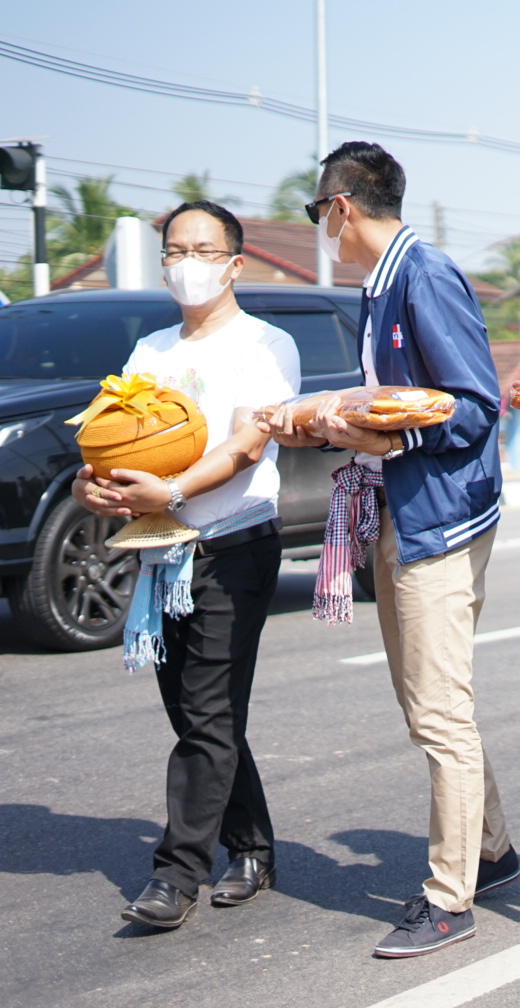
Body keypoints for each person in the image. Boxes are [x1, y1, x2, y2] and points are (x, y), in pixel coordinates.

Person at [266, 142, 515, 958]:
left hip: (439, 520)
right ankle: (492, 850)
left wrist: (373, 432)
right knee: (429, 707)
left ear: (341, 207)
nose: (320, 230)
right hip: (402, 514)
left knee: (438, 712)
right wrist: (359, 427)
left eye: (316, 213)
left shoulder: (424, 276)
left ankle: (450, 899)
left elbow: (475, 407)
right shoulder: (383, 288)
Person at [74, 201, 299, 928]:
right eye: (174, 250)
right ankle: (254, 846)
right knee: (201, 715)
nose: (186, 264)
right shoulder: (151, 352)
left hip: (234, 547)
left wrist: (169, 488)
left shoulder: (265, 345)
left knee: (207, 712)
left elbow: (244, 447)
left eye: (203, 250)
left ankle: (177, 875)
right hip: (161, 553)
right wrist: (95, 486)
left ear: (235, 263)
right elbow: (110, 445)